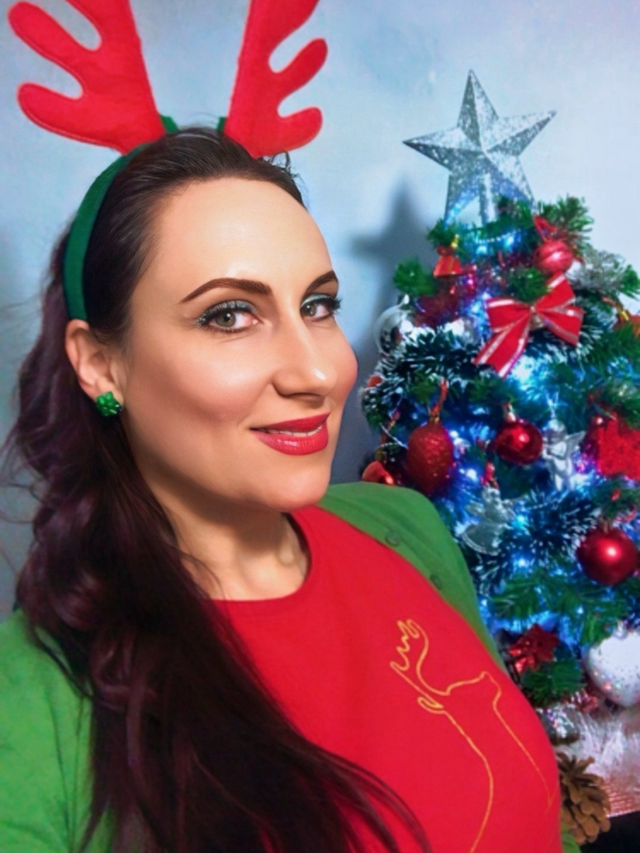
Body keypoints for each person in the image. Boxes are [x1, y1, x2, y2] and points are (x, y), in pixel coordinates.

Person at [0, 127, 575, 853]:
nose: (319, 373)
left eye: (317, 306)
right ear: (99, 364)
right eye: (229, 315)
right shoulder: (34, 703)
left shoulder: (402, 526)